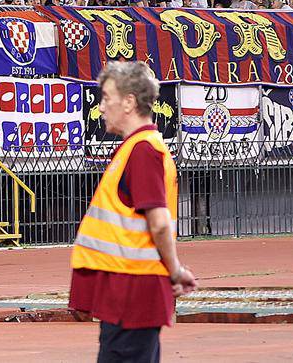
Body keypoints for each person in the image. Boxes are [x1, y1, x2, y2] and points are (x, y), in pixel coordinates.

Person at [70, 60, 196, 362]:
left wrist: (176, 270)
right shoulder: (136, 148)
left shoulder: (143, 151)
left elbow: (160, 223)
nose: (101, 107)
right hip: (125, 291)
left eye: (106, 98)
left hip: (133, 293)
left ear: (128, 102)